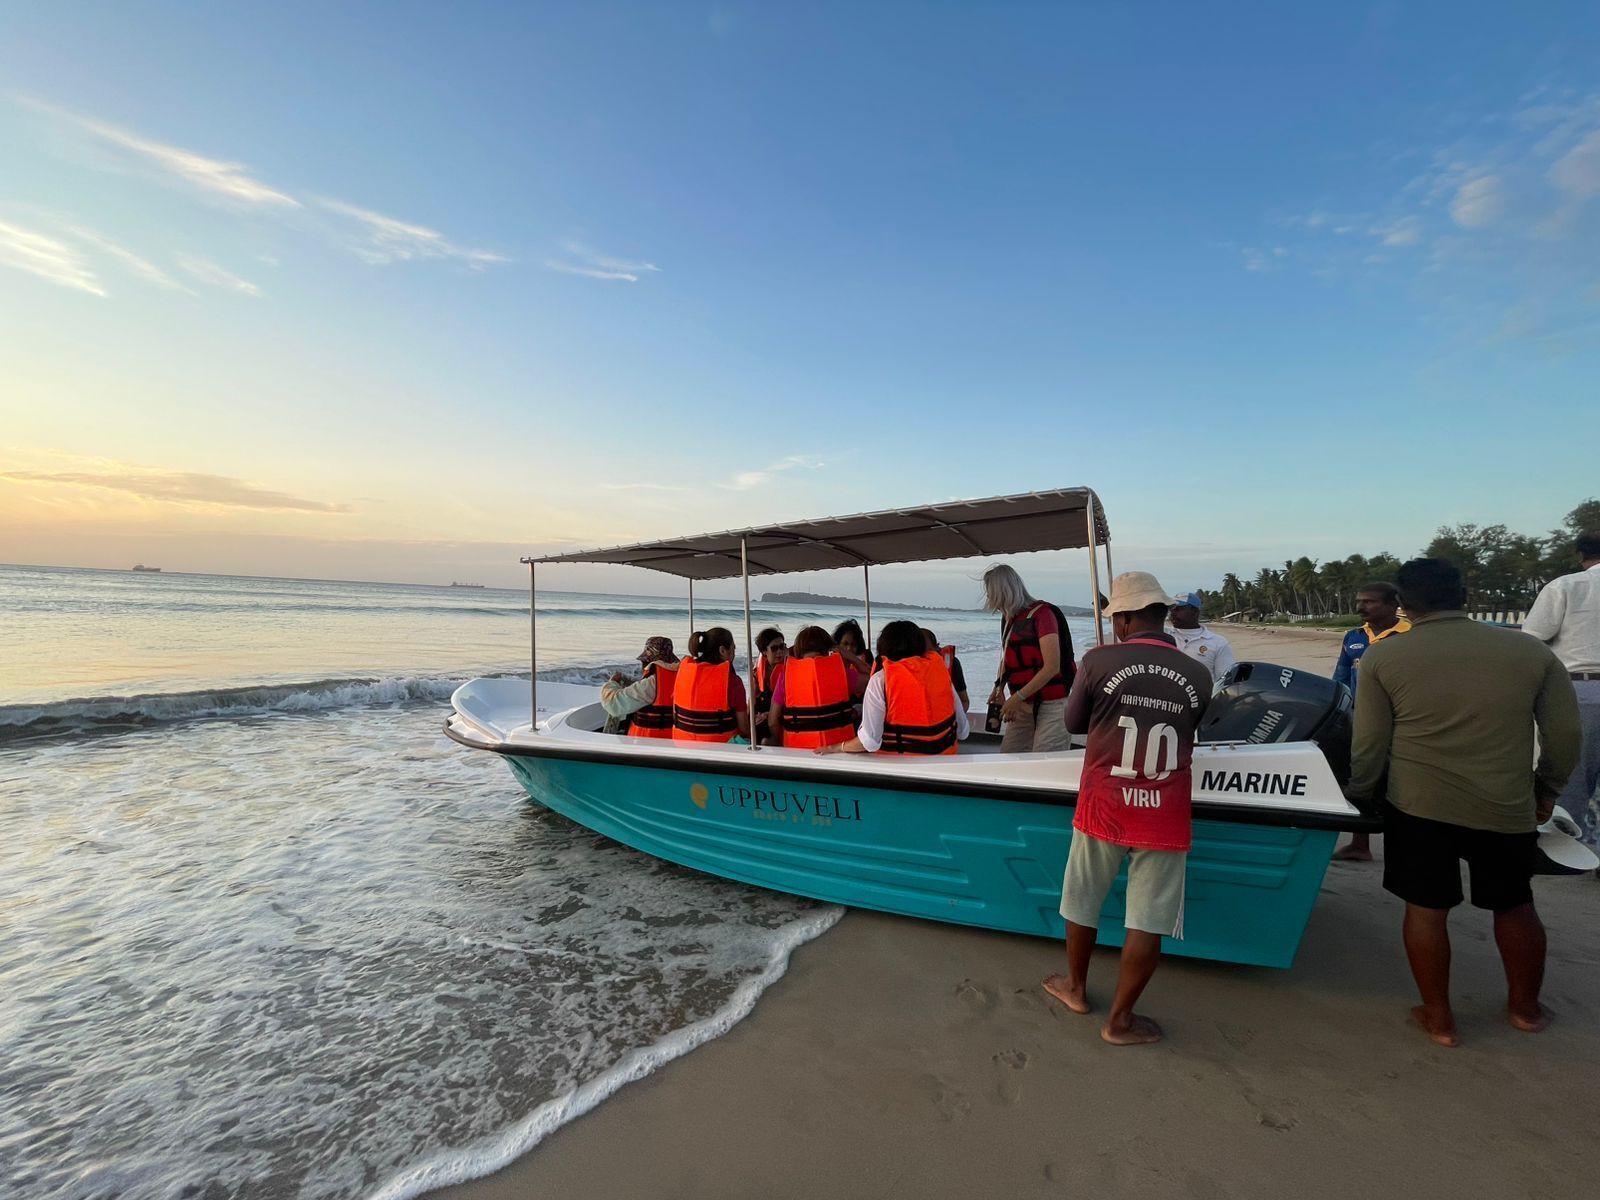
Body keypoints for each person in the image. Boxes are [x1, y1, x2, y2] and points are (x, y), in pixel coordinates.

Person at [1345, 559, 1580, 1047]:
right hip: (1504, 802)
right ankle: (1525, 1011)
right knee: (1515, 905)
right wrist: (1547, 789)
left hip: (1418, 805)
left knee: (1426, 909)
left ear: (1404, 603)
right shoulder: (1528, 652)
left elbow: (1369, 743)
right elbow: (1564, 735)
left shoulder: (1384, 657)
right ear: (1465, 595)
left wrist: (1360, 794)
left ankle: (1439, 1019)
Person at [1041, 572, 1212, 1046]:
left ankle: (1076, 988)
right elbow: (1194, 725)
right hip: (1164, 809)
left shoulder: (1100, 660)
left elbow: (1075, 723)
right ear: (1163, 614)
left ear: (1123, 619)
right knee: (1148, 919)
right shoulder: (1198, 672)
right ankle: (1119, 1020)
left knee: (1082, 899)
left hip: (1104, 802)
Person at [1522, 531, 1600, 850]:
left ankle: (1570, 848)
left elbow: (1532, 640)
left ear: (1580, 554)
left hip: (1580, 689)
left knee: (1571, 771)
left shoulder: (1566, 585)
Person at [1331, 582, 1412, 862]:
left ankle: (1402, 846)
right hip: (1360, 719)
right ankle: (1360, 844)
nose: (1361, 607)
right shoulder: (1353, 636)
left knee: (1400, 781)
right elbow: (1340, 678)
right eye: (1359, 601)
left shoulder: (1411, 634)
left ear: (1393, 605)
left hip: (1402, 720)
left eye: (1369, 602)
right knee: (1359, 777)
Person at [815, 620, 969, 756]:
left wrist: (837, 747)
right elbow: (963, 732)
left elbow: (869, 742)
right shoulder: (942, 675)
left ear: (884, 648)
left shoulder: (881, 680)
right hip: (944, 764)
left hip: (900, 769)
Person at [981, 564, 1076, 753]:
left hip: (1053, 704)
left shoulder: (1043, 615)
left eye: (991, 593)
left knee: (1045, 762)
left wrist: (1016, 697)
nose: (990, 599)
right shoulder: (1009, 619)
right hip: (1023, 703)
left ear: (1003, 592)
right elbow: (1008, 658)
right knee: (1009, 755)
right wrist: (998, 687)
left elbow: (1052, 667)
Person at [770, 626, 855, 750]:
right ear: (828, 648)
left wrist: (783, 743)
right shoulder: (841, 672)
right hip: (837, 751)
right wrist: (851, 657)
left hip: (798, 752)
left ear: (799, 649)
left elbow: (772, 722)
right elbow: (873, 678)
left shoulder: (786, 675)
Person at [672, 627, 752, 743]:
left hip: (682, 747)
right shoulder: (733, 682)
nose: (734, 652)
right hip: (720, 751)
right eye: (733, 648)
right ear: (723, 651)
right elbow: (744, 729)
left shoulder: (683, 672)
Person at [598, 636, 681, 738]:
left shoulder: (652, 684)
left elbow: (613, 704)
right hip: (673, 741)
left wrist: (612, 684)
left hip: (648, 745)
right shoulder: (681, 675)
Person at [1168, 592, 1236, 686]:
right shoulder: (1164, 635)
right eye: (1171, 609)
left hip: (1201, 699)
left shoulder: (1218, 643)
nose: (1172, 613)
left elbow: (1225, 680)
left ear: (1195, 611)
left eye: (1178, 609)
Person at [752, 627, 788, 744]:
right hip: (763, 715)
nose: (779, 652)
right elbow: (751, 702)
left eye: (782, 647)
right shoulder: (757, 673)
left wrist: (768, 715)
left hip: (780, 716)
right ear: (764, 652)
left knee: (764, 740)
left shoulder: (789, 671)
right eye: (774, 648)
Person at [921, 628, 970, 710]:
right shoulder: (905, 668)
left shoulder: (952, 663)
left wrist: (955, 719)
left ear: (937, 648)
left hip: (947, 717)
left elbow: (964, 701)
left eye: (926, 650)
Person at [831, 618, 872, 703]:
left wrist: (853, 659)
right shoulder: (832, 664)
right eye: (845, 644)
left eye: (853, 645)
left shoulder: (866, 656)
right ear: (837, 646)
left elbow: (873, 679)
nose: (849, 648)